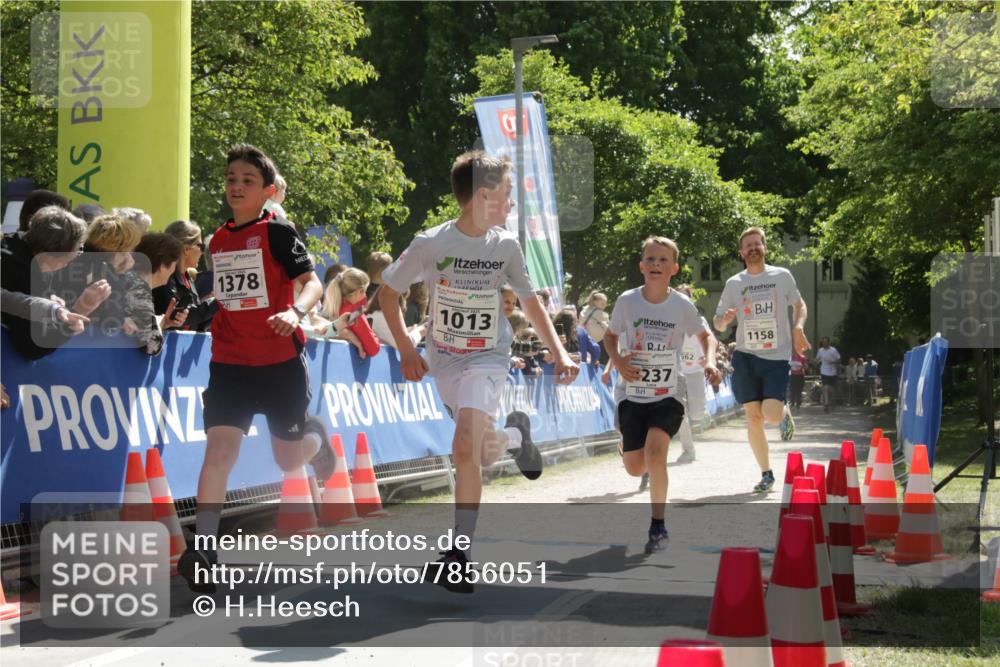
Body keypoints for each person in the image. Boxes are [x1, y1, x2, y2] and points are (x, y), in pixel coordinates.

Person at [378, 150, 578, 593]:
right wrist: (408, 350)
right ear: (482, 196)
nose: (510, 204)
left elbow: (530, 302)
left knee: (465, 440)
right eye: (507, 194)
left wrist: (560, 353)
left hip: (489, 357)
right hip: (444, 360)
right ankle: (516, 438)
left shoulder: (505, 245)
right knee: (481, 451)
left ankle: (459, 553)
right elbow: (387, 296)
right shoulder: (431, 243)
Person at [178, 144, 335, 594]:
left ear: (267, 191)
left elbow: (313, 283)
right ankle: (204, 547)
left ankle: (316, 440)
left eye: (247, 180)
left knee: (287, 459)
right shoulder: (217, 239)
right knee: (219, 450)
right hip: (230, 361)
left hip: (280, 360)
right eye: (231, 178)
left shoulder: (277, 233)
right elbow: (228, 296)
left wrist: (297, 313)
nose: (236, 186)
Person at [605, 236, 720, 553]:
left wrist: (709, 360)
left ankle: (658, 526)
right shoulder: (627, 301)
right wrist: (617, 360)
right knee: (635, 467)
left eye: (663, 260)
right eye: (651, 259)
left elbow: (706, 336)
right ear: (642, 266)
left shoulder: (682, 305)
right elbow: (611, 336)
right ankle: (626, 445)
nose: (656, 264)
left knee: (656, 455)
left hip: (669, 392)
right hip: (634, 391)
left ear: (674, 268)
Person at [714, 226, 810, 493]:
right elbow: (718, 322)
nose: (753, 248)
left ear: (765, 248)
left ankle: (783, 411)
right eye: (748, 245)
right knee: (753, 418)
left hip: (777, 356)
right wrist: (725, 319)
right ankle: (766, 473)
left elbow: (799, 305)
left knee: (770, 415)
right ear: (742, 252)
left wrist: (798, 327)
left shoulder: (782, 276)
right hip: (746, 355)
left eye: (758, 244)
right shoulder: (734, 283)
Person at [1, 206, 109, 359]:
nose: (77, 256)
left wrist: (51, 300)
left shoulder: (19, 242)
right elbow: (33, 348)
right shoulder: (17, 270)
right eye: (77, 250)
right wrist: (80, 310)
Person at [674, 284, 715, 464]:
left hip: (695, 370)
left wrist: (707, 359)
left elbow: (710, 339)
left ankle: (703, 413)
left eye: (685, 298)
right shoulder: (668, 318)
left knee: (696, 414)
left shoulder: (699, 320)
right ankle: (688, 450)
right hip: (676, 372)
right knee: (679, 413)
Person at [154, 220, 218, 332]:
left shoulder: (187, 277)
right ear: (186, 249)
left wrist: (207, 302)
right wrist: (217, 302)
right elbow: (177, 316)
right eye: (201, 246)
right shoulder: (165, 276)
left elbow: (193, 319)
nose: (202, 252)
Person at [322, 267, 375, 357]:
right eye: (364, 291)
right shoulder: (355, 314)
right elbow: (373, 348)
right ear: (360, 291)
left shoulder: (337, 308)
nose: (365, 295)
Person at [816, 337, 841, 413]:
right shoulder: (820, 350)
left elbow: (839, 360)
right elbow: (817, 359)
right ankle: (826, 404)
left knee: (832, 390)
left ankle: (831, 402)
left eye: (826, 342)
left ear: (829, 343)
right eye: (823, 342)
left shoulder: (833, 350)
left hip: (833, 372)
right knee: (825, 387)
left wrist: (833, 362)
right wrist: (814, 361)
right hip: (824, 372)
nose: (824, 343)